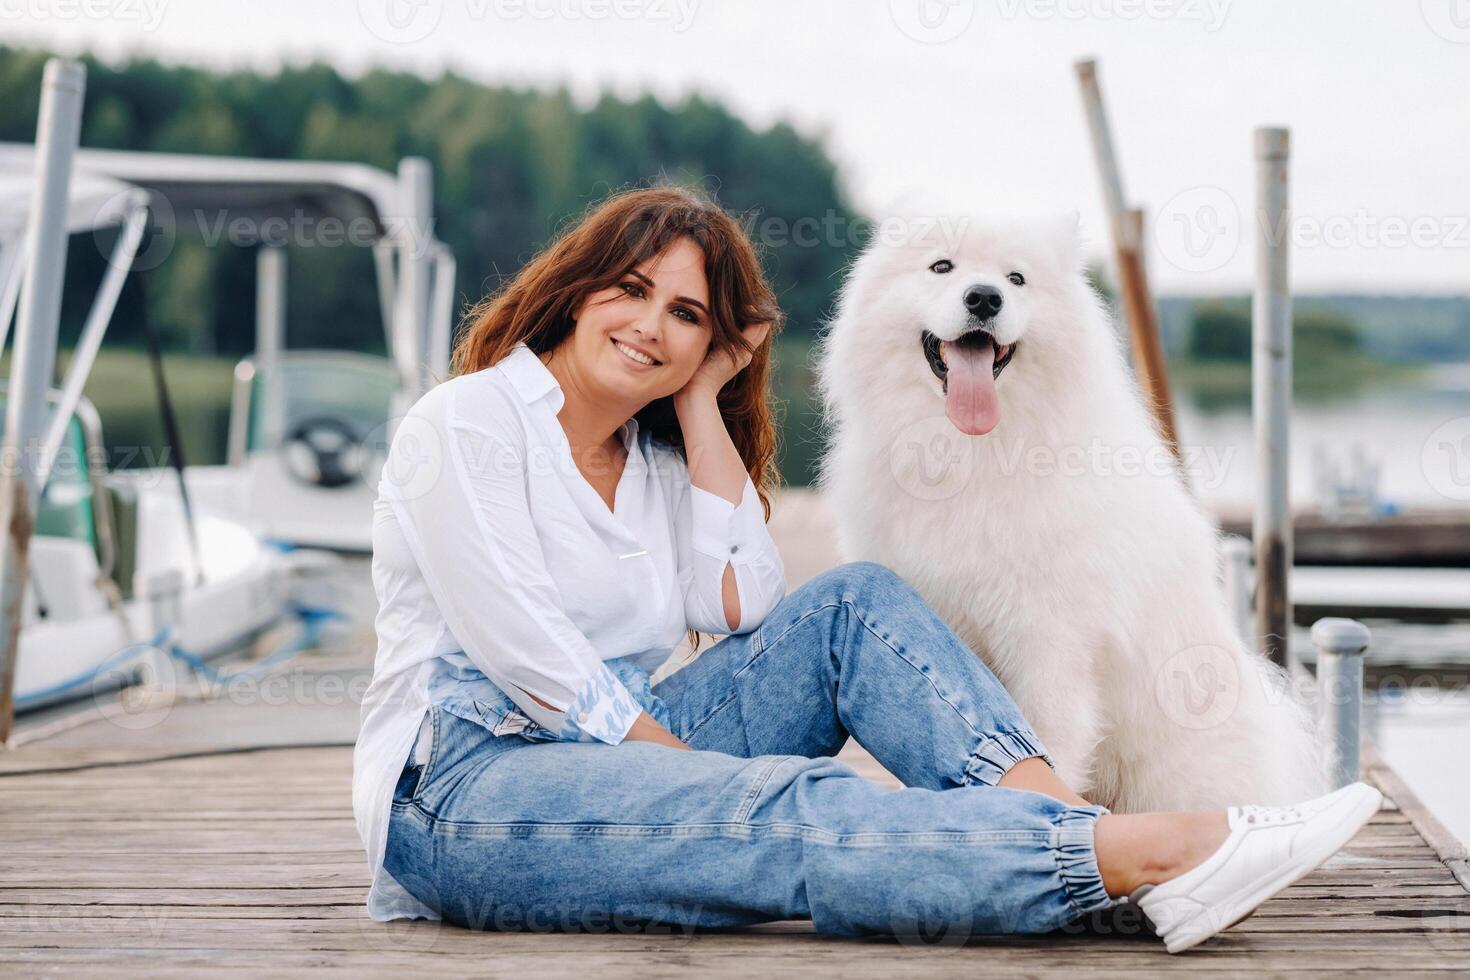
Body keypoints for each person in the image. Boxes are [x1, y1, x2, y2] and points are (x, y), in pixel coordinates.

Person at [352, 185, 1380, 954]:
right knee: (787, 802)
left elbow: (747, 604)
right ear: (574, 292)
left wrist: (705, 404)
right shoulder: (468, 422)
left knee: (855, 602)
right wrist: (699, 782)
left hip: (620, 751)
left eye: (688, 316)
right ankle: (1142, 854)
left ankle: (1062, 825)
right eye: (631, 292)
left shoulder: (655, 458)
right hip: (464, 791)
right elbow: (519, 644)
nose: (651, 327)